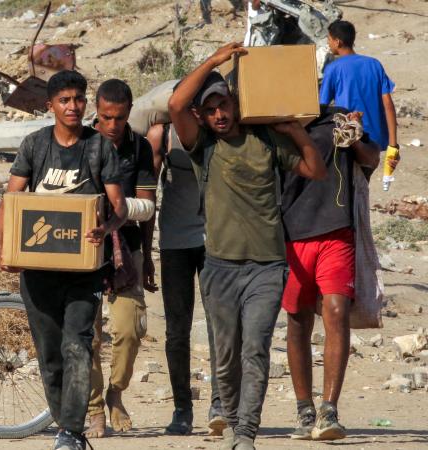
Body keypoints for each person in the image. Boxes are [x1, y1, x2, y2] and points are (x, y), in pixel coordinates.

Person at [168, 42, 327, 450]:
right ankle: (232, 418)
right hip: (219, 266)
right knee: (226, 356)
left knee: (255, 348)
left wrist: (295, 132)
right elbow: (175, 105)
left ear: (237, 105)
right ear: (201, 116)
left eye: (224, 105)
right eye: (210, 109)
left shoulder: (266, 140)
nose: (219, 114)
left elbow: (315, 169)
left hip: (267, 267)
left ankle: (245, 435)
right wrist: (215, 61)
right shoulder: (204, 147)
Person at [0, 70, 127, 450]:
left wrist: (106, 229)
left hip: (83, 271)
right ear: (50, 105)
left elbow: (117, 208)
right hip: (38, 272)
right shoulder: (34, 146)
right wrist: (7, 250)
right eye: (65, 100)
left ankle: (70, 431)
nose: (73, 106)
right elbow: (11, 201)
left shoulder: (99, 148)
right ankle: (66, 428)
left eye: (79, 99)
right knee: (50, 355)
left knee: (78, 345)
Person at [280, 106, 379, 441]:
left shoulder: (336, 117)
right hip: (291, 234)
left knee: (336, 312)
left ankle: (329, 409)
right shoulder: (268, 122)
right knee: (297, 319)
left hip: (337, 232)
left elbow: (371, 158)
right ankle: (304, 409)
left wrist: (353, 140)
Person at [84, 79, 157, 438]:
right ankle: (96, 408)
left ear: (129, 113)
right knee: (88, 336)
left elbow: (147, 207)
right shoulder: (80, 142)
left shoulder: (139, 148)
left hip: (127, 252)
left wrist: (148, 255)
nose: (112, 126)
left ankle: (116, 392)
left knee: (129, 330)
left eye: (120, 118)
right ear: (96, 111)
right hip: (82, 251)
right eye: (106, 117)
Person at [146, 121, 226, 436]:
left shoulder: (222, 131)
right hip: (174, 244)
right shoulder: (163, 136)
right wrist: (144, 251)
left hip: (216, 243)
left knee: (221, 328)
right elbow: (148, 196)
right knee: (176, 332)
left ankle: (220, 404)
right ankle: (182, 409)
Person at [321, 20, 399, 154]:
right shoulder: (374, 64)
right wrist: (393, 145)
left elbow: (322, 106)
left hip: (351, 138)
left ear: (337, 41)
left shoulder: (333, 69)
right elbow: (388, 105)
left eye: (329, 39)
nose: (328, 43)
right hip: (376, 140)